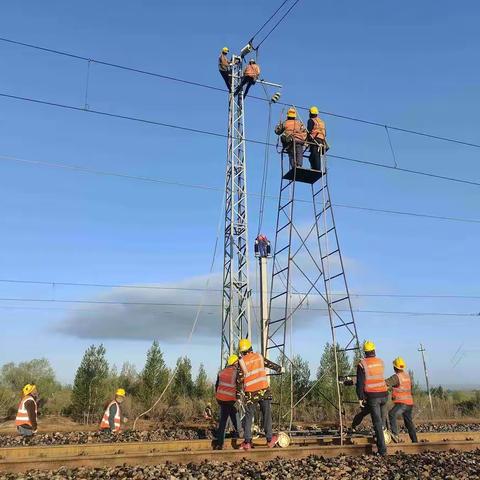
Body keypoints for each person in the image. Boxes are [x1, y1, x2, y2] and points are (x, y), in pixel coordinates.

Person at [237, 338, 282, 450]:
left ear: (242, 351)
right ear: (250, 348)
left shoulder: (241, 362)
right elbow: (269, 364)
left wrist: (238, 393)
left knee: (248, 416)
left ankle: (247, 442)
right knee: (266, 414)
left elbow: (239, 379)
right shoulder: (259, 356)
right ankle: (270, 440)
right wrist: (279, 368)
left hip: (251, 393)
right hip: (263, 390)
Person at [356, 340, 388, 456]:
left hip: (373, 396)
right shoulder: (380, 362)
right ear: (374, 350)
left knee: (378, 423)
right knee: (383, 422)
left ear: (365, 352)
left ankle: (382, 450)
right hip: (384, 395)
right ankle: (386, 440)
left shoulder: (362, 364)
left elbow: (360, 382)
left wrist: (360, 397)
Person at [386, 357, 418, 443]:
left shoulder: (396, 377)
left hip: (402, 403)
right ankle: (415, 441)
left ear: (395, 367)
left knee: (392, 414)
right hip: (409, 403)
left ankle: (395, 434)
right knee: (408, 422)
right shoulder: (407, 376)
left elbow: (386, 383)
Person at [214, 354, 240, 450]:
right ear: (235, 363)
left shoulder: (221, 372)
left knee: (230, 414)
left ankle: (221, 442)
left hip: (221, 398)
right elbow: (239, 385)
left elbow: (216, 386)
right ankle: (221, 443)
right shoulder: (235, 372)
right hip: (229, 399)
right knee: (228, 419)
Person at [307, 106, 327, 171]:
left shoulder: (311, 120)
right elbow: (325, 133)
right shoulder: (321, 122)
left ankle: (316, 169)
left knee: (315, 155)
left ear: (310, 113)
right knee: (316, 155)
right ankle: (316, 168)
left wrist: (306, 141)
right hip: (322, 140)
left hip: (315, 139)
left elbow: (309, 130)